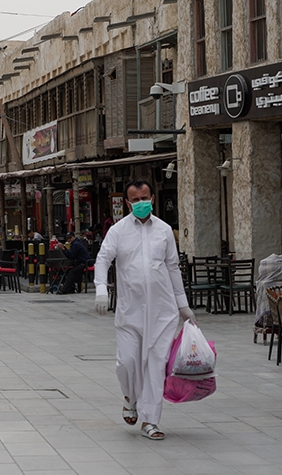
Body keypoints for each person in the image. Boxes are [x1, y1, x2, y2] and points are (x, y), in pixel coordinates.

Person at [92, 179, 195, 441]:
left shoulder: (163, 231)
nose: (141, 203)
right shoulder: (117, 231)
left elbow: (172, 267)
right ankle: (130, 398)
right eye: (135, 199)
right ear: (127, 203)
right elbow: (103, 259)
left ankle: (150, 420)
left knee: (155, 365)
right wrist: (101, 290)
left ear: (153, 198)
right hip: (130, 310)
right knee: (127, 362)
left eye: (145, 197)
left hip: (163, 311)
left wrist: (183, 306)